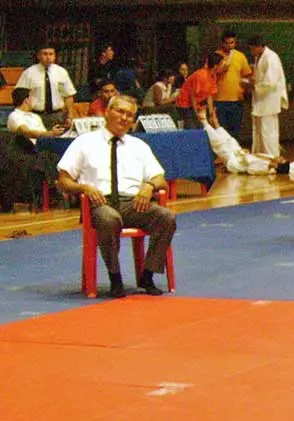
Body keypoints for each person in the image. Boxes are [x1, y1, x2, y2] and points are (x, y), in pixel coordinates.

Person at [56, 95, 176, 299]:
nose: (124, 118)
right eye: (120, 112)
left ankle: (147, 275)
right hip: (99, 203)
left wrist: (149, 186)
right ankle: (115, 277)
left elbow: (160, 178)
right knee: (109, 218)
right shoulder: (84, 142)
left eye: (130, 115)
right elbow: (63, 180)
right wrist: (84, 187)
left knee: (167, 217)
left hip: (133, 203)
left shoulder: (139, 146)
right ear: (106, 113)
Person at [3, 87, 63, 210]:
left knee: (57, 154)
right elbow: (26, 132)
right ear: (26, 100)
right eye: (32, 97)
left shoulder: (36, 117)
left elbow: (45, 136)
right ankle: (54, 190)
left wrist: (53, 133)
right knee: (46, 158)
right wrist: (50, 134)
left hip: (42, 148)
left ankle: (60, 188)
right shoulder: (14, 116)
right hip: (24, 151)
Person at [15, 44, 77, 129]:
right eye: (45, 54)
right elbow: (20, 95)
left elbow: (68, 95)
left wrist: (70, 115)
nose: (48, 57)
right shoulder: (29, 73)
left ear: (55, 56)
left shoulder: (61, 72)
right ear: (38, 56)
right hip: (35, 115)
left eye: (51, 54)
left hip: (57, 116)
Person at [248, 35, 288, 159]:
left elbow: (271, 81)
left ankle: (272, 158)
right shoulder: (259, 57)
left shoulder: (271, 58)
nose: (251, 51)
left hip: (268, 99)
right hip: (262, 99)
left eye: (252, 48)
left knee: (268, 131)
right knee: (260, 131)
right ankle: (261, 157)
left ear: (259, 46)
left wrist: (254, 86)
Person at [214, 31, 253, 141]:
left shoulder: (240, 56)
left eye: (232, 43)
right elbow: (208, 75)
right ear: (222, 43)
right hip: (219, 100)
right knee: (220, 130)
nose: (229, 45)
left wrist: (247, 85)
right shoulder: (215, 56)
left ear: (235, 43)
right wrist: (219, 71)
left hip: (236, 100)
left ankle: (235, 154)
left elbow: (247, 75)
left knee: (235, 131)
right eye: (227, 43)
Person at [175, 52, 224, 130]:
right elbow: (192, 95)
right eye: (222, 64)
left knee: (202, 126)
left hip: (196, 104)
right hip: (184, 104)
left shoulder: (213, 76)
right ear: (215, 66)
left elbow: (209, 95)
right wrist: (196, 113)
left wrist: (211, 114)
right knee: (192, 127)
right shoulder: (200, 75)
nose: (223, 66)